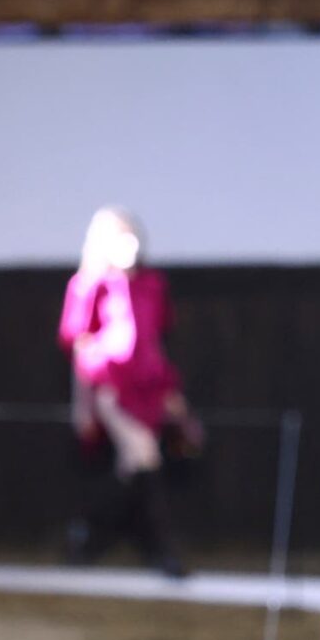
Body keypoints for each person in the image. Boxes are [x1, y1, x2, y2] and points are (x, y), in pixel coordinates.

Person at [59, 206, 199, 579]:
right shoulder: (89, 285)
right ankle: (164, 552)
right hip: (112, 388)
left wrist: (171, 392)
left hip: (149, 388)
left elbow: (155, 341)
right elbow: (81, 347)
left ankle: (87, 535)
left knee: (131, 469)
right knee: (146, 457)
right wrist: (83, 405)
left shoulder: (152, 284)